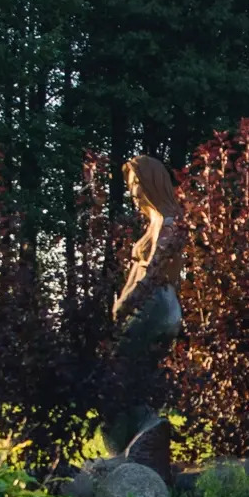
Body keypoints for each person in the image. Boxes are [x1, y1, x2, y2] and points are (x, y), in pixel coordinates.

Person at [103, 155, 185, 455]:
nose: (133, 192)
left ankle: (132, 444)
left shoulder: (169, 222)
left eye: (137, 183)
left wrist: (125, 301)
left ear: (153, 183)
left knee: (124, 370)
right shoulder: (155, 222)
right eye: (130, 185)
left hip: (157, 306)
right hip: (151, 303)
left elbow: (153, 271)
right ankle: (134, 444)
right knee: (133, 374)